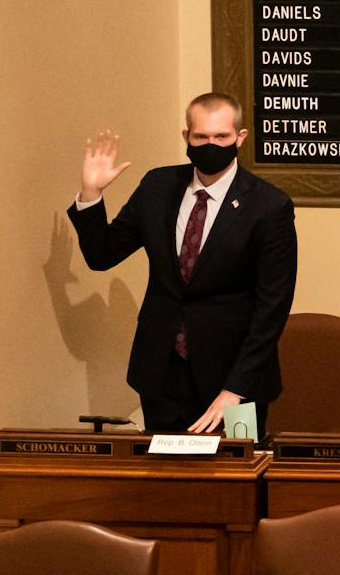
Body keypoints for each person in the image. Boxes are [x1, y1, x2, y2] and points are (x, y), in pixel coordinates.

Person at [69, 93, 298, 433]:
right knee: (167, 481)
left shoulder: (269, 207)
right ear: (186, 137)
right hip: (162, 374)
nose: (211, 144)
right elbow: (102, 255)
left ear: (240, 137)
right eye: (201, 136)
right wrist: (91, 194)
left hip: (235, 383)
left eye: (221, 136)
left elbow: (272, 310)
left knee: (234, 481)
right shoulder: (157, 187)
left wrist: (235, 389)